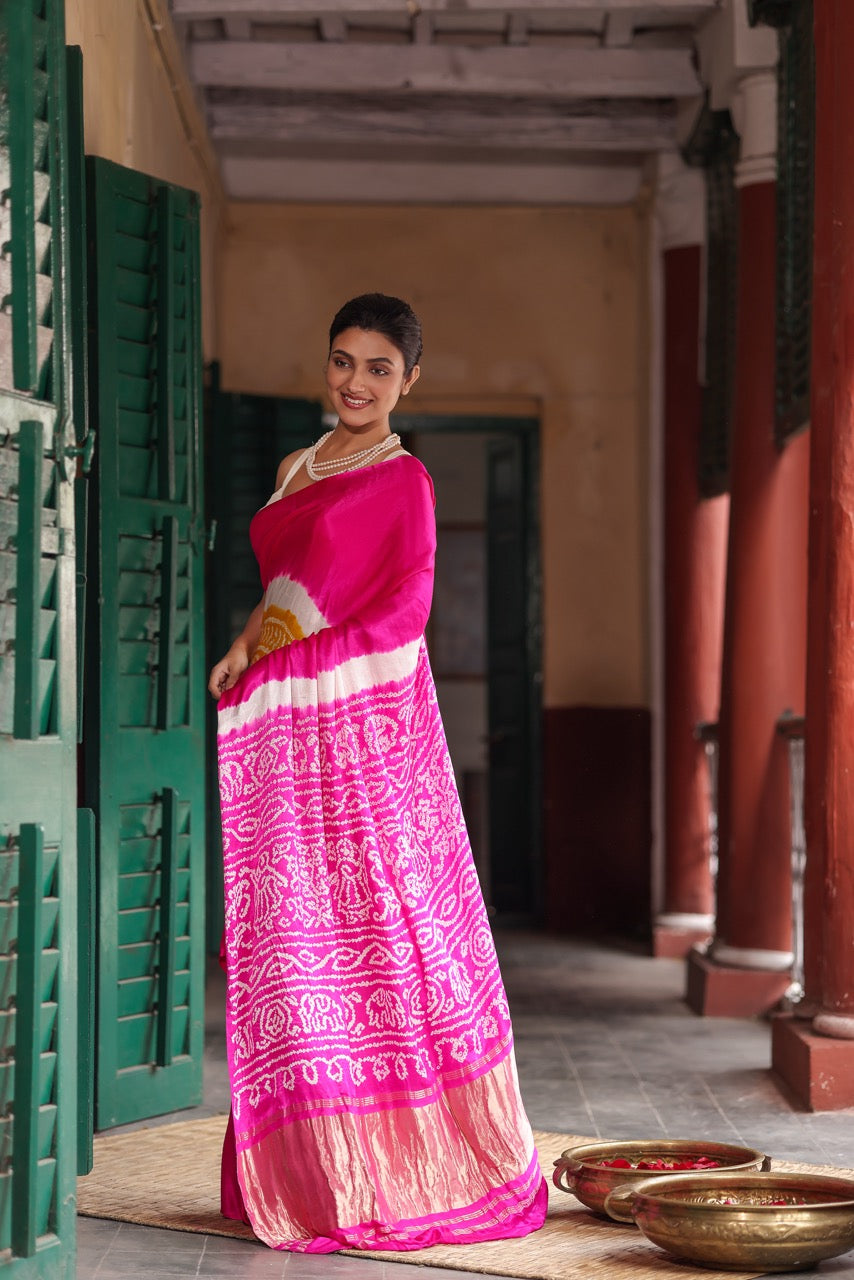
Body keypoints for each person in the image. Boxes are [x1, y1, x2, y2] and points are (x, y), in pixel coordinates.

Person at [208, 293, 547, 1253]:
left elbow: (403, 612)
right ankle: (309, 1161)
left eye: (378, 369)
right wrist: (245, 648)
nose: (356, 384)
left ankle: (399, 1160)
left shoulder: (406, 485)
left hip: (352, 738)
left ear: (410, 382)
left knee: (373, 920)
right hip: (279, 724)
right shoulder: (295, 467)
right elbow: (282, 592)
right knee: (289, 930)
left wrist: (295, 672)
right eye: (343, 362)